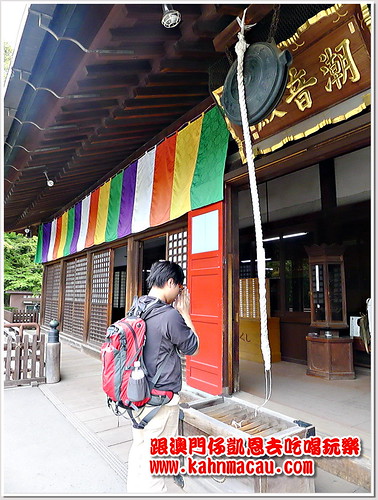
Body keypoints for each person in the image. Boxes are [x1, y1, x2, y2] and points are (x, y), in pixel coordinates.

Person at [126, 260, 199, 493]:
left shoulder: (136, 308)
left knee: (140, 448)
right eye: (179, 287)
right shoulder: (169, 316)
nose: (179, 292)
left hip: (136, 393)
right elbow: (192, 347)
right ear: (170, 282)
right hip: (160, 400)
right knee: (155, 458)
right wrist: (185, 313)